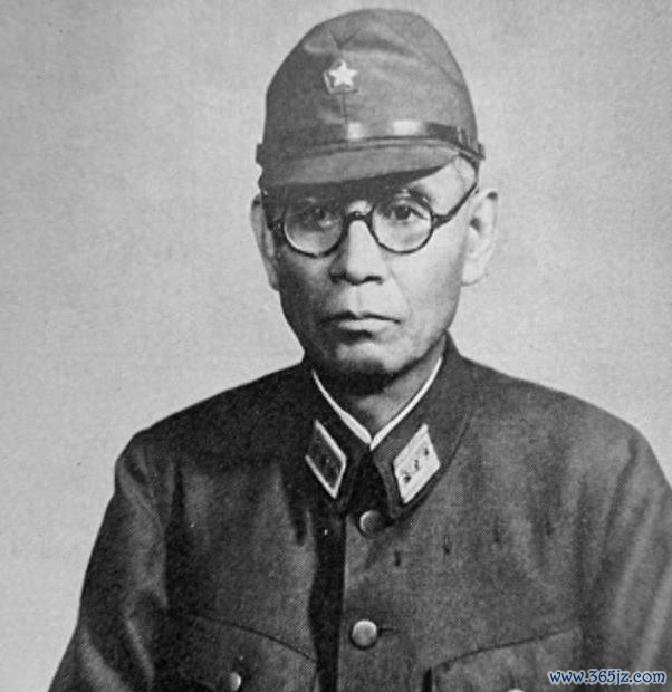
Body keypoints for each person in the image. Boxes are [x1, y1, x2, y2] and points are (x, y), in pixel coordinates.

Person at [50, 9, 672, 691]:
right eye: (315, 215)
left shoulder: (600, 486)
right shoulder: (172, 486)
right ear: (268, 243)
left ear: (476, 233)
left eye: (404, 212)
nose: (356, 263)